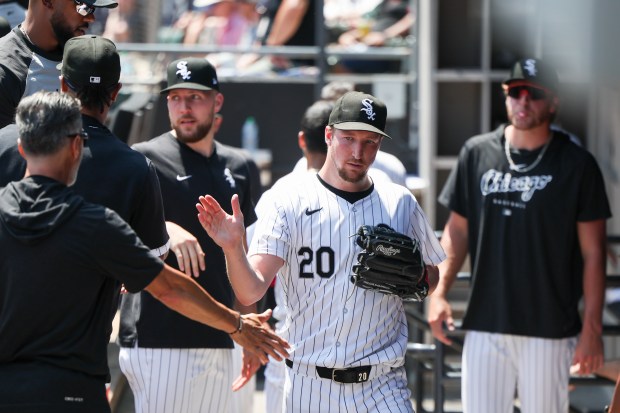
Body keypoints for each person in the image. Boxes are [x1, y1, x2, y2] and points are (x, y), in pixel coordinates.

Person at [0, 90, 289, 413]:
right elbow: (169, 288)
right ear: (77, 146)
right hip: (72, 393)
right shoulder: (96, 224)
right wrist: (237, 325)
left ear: (22, 148)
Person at [197, 90, 446, 413]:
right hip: (309, 384)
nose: (358, 151)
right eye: (348, 138)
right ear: (328, 135)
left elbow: (432, 275)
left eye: (369, 141)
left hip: (383, 384)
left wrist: (414, 275)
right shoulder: (287, 199)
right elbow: (250, 289)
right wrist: (232, 247)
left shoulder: (400, 202)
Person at [427, 58, 612, 413]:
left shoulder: (577, 164)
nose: (523, 101)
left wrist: (591, 330)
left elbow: (593, 253)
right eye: (515, 92)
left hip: (551, 328)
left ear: (554, 102)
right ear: (506, 96)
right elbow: (457, 230)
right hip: (485, 322)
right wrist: (439, 294)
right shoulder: (477, 152)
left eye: (535, 94)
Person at [118, 57, 261, 413]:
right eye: (175, 97)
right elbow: (112, 228)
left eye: (195, 97)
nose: (184, 107)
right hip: (161, 336)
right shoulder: (143, 157)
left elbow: (243, 255)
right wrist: (163, 229)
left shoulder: (241, 165)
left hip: (230, 334)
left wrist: (252, 332)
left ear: (217, 101)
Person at [0, 0, 118, 128]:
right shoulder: (7, 69)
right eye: (83, 7)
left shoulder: (87, 59)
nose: (90, 18)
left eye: (92, 9)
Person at [293, 81, 408, 186]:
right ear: (328, 134)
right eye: (332, 109)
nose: (357, 153)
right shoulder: (302, 169)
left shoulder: (389, 168)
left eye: (350, 108)